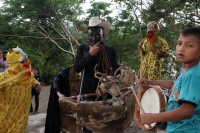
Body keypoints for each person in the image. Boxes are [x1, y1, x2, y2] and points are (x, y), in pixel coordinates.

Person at [137, 27, 200, 132]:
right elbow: (175, 84)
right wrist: (150, 82)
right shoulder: (185, 69)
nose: (181, 49)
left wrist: (154, 117)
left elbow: (186, 111)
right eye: (179, 44)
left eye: (189, 46)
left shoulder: (193, 75)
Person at [74, 17, 120, 133]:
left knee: (106, 121)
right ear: (88, 35)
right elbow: (77, 68)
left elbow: (116, 68)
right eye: (92, 34)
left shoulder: (109, 50)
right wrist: (89, 54)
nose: (95, 37)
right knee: (88, 124)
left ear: (102, 34)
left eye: (97, 34)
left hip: (106, 92)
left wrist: (114, 76)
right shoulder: (82, 49)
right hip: (87, 92)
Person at [0, 47, 42, 133]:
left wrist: (36, 84)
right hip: (6, 118)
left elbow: (32, 80)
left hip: (21, 119)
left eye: (26, 60)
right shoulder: (3, 77)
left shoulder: (28, 75)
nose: (26, 63)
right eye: (22, 62)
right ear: (14, 64)